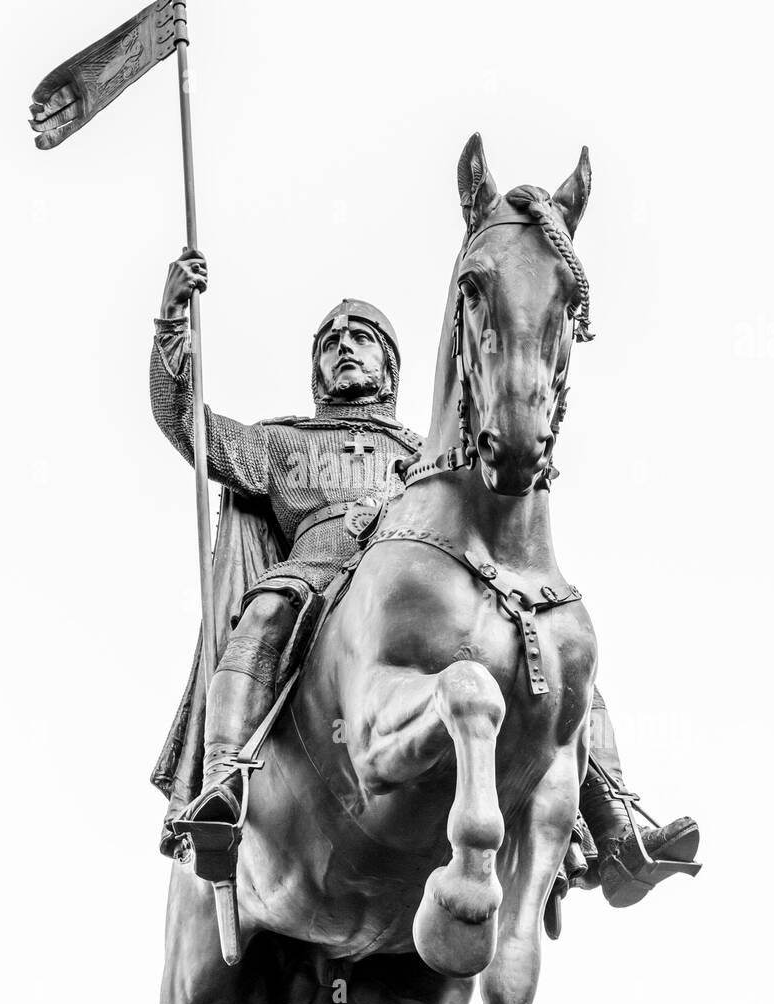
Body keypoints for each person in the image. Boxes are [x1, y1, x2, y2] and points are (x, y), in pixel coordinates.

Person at [150, 250, 699, 907]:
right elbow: (191, 427)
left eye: (359, 338)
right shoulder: (280, 443)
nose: (343, 349)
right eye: (329, 343)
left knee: (553, 643)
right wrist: (170, 324)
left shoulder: (429, 452)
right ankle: (225, 785)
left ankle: (612, 828)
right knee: (267, 607)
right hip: (318, 579)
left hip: (426, 599)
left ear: (390, 363)